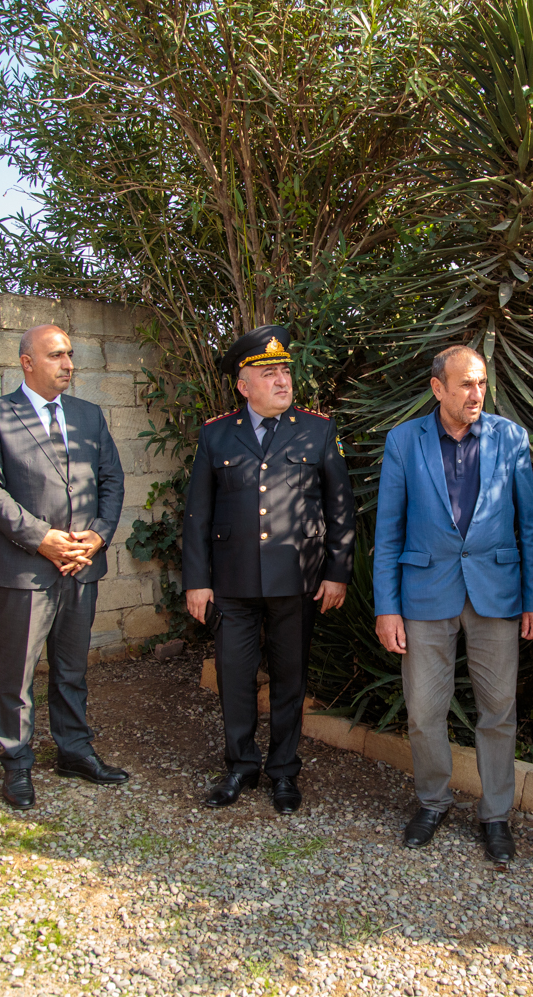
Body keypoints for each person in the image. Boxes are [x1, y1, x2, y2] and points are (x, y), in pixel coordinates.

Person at [371, 345, 533, 863]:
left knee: (498, 710)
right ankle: (433, 801)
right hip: (425, 592)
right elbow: (388, 531)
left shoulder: (510, 437)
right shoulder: (404, 440)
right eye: (466, 384)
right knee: (425, 710)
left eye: (482, 383)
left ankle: (495, 815)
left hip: (497, 591)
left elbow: (529, 525)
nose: (477, 394)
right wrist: (387, 607)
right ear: (438, 388)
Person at [182, 325, 356, 813]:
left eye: (285, 371)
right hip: (232, 581)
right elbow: (197, 514)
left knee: (289, 680)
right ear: (244, 386)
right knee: (234, 679)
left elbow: (341, 508)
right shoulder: (217, 434)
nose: (282, 380)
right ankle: (240, 766)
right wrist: (197, 582)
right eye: (269, 373)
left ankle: (283, 771)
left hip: (296, 580)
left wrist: (337, 572)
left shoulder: (317, 430)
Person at [0, 324, 128, 810]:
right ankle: (16, 763)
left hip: (81, 565)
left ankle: (74, 750)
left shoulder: (88, 415)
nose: (68, 364)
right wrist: (43, 539)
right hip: (24, 569)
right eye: (56, 355)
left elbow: (111, 479)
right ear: (27, 361)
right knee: (17, 673)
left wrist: (97, 536)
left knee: (72, 668)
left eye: (70, 354)